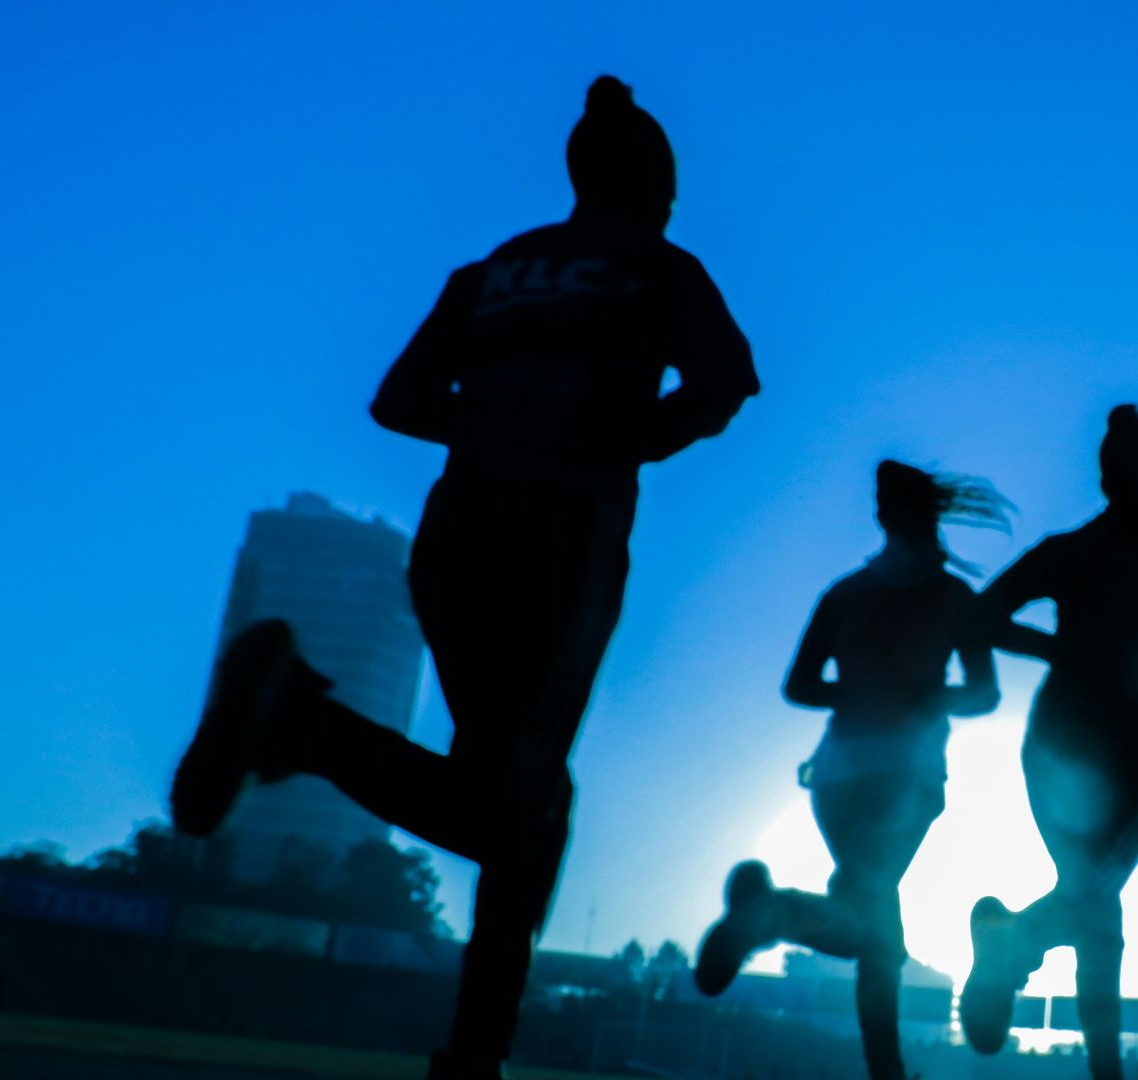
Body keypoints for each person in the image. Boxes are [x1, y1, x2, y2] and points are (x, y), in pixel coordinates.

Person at [168, 76, 757, 1080]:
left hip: (458, 533)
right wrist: (623, 438)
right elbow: (727, 384)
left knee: (522, 792)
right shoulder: (659, 267)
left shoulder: (490, 271)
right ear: (655, 183)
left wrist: (492, 424)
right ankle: (303, 729)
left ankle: (475, 1051)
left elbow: (396, 400)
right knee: (517, 799)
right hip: (562, 534)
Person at [692, 461, 1009, 1080]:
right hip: (907, 781)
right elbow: (985, 694)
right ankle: (774, 913)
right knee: (879, 938)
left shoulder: (843, 595)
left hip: (836, 778)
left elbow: (799, 685)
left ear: (881, 517)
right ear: (933, 516)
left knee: (878, 932)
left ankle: (879, 1063)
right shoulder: (953, 599)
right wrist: (925, 697)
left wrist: (859, 691)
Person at [958, 405, 1138, 1080]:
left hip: (1088, 760)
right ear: (1129, 480)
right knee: (1096, 906)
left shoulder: (1102, 554)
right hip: (1109, 764)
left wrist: (1106, 654)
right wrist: (1085, 651)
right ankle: (1095, 1054)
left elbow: (979, 619)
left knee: (1093, 905)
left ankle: (1016, 951)